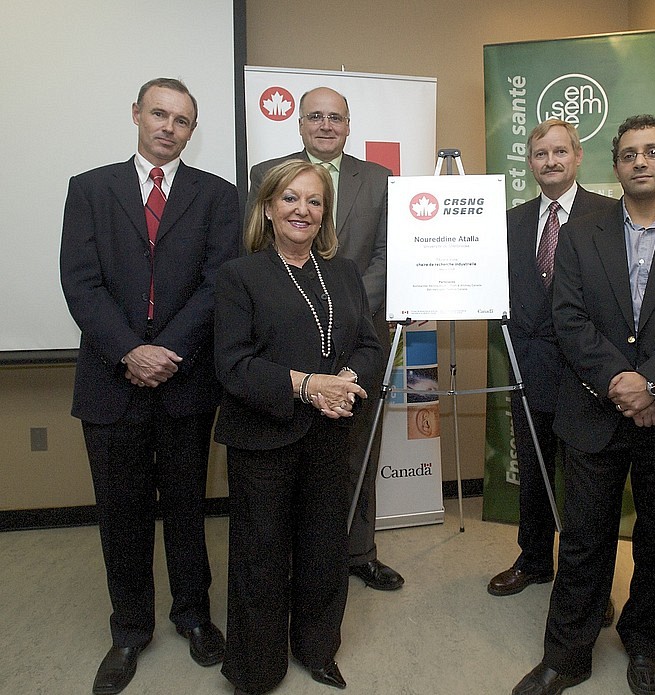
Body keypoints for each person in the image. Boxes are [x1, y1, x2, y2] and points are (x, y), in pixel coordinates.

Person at [513, 115, 655, 695]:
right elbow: (569, 318)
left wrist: (652, 384)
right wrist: (620, 383)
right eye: (628, 153)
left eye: (652, 151)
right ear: (615, 164)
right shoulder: (584, 232)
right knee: (583, 538)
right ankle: (567, 655)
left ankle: (647, 646)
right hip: (593, 410)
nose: (639, 161)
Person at [59, 77, 238, 695]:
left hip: (186, 381)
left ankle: (193, 616)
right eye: (159, 114)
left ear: (192, 131)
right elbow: (80, 282)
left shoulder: (218, 196)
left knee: (188, 509)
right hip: (111, 381)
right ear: (136, 114)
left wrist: (168, 351)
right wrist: (130, 351)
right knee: (121, 513)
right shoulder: (90, 189)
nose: (169, 126)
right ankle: (129, 630)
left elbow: (219, 284)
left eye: (182, 120)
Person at [214, 160, 384, 694]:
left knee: (323, 549)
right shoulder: (240, 275)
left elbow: (369, 344)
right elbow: (233, 364)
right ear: (267, 207)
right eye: (290, 199)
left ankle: (317, 648)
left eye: (314, 201)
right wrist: (309, 386)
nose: (302, 210)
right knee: (260, 555)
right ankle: (256, 668)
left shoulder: (344, 272)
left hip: (330, 433)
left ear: (325, 212)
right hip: (262, 435)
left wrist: (347, 382)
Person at [248, 86, 402, 591]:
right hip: (287, 345)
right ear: (299, 123)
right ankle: (298, 559)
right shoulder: (266, 175)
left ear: (349, 124)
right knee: (289, 455)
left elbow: (386, 254)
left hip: (359, 339)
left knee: (358, 450)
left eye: (335, 117)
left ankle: (359, 551)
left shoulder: (379, 179)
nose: (325, 125)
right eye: (315, 116)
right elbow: (259, 250)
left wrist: (349, 306)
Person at [488, 119, 615, 601]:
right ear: (530, 163)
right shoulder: (511, 221)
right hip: (530, 368)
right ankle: (535, 559)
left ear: (578, 157)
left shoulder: (610, 213)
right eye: (541, 154)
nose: (551, 161)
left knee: (588, 485)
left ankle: (589, 587)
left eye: (560, 152)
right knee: (536, 472)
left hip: (591, 370)